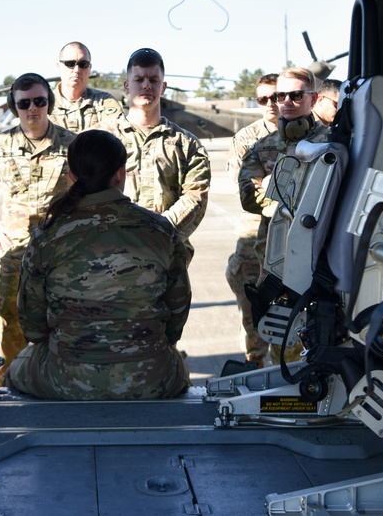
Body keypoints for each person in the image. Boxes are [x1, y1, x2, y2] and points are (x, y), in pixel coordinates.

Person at [7, 130, 191, 400]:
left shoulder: (47, 235)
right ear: (120, 173)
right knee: (177, 360)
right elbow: (177, 312)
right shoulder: (161, 230)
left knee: (15, 368)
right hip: (152, 378)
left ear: (71, 175)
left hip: (66, 381)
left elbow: (33, 327)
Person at [0, 73, 76, 385]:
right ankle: (7, 389)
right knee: (11, 329)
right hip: (14, 257)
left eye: (39, 101)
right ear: (14, 107)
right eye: (24, 103)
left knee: (63, 327)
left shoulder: (72, 145)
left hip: (61, 258)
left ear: (49, 103)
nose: (32, 108)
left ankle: (57, 392)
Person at [238, 67, 331, 363]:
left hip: (322, 258)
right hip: (275, 262)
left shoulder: (332, 144)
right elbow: (248, 197)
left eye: (295, 95)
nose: (286, 102)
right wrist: (293, 204)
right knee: (282, 338)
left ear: (313, 98)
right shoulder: (260, 147)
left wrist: (272, 188)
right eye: (281, 96)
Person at [104, 47, 210, 255]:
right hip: (111, 260)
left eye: (153, 80)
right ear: (127, 86)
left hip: (167, 259)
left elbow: (195, 198)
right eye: (139, 79)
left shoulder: (188, 145)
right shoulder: (101, 139)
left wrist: (157, 233)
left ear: (163, 87)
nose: (146, 85)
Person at [225, 73, 278, 367]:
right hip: (253, 238)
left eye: (276, 96)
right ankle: (255, 367)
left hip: (293, 239)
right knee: (252, 315)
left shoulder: (310, 134)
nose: (271, 104)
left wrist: (267, 182)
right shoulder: (246, 138)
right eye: (263, 99)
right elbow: (243, 191)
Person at [48, 41, 124, 132]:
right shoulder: (43, 102)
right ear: (59, 66)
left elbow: (116, 133)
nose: (77, 70)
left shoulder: (105, 102)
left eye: (83, 64)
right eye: (70, 64)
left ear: (90, 68)